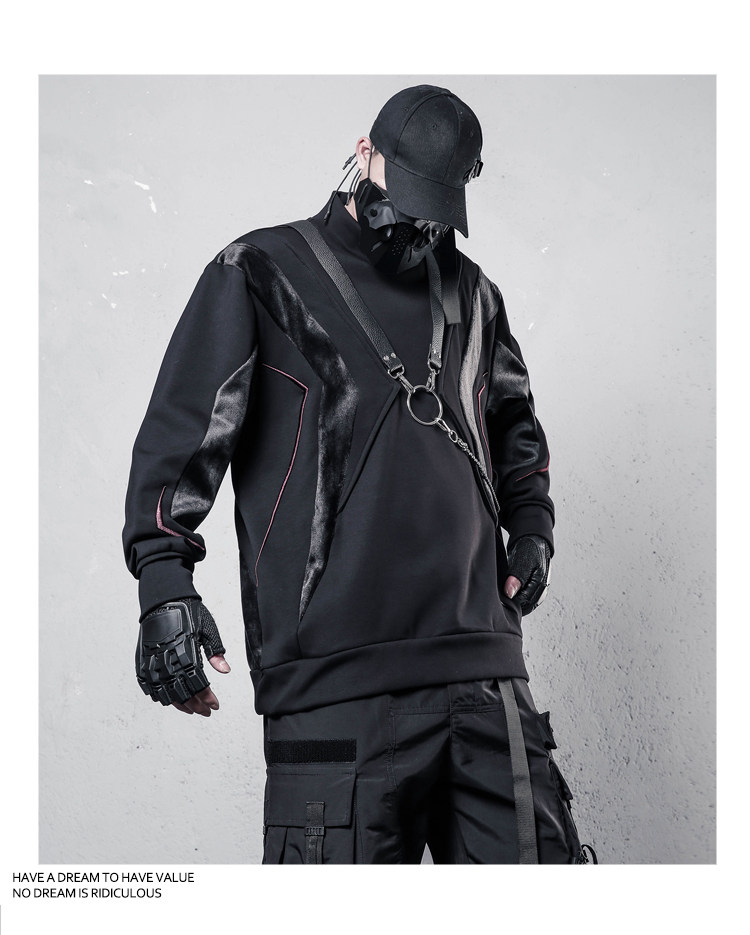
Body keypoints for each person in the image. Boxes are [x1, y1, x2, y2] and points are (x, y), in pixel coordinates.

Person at [123, 84, 597, 865]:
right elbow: (182, 436)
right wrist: (163, 585)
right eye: (405, 191)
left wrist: (533, 529)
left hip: (486, 679)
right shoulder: (259, 272)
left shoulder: (474, 295)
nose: (417, 220)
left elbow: (515, 425)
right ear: (363, 153)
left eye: (436, 206)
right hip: (335, 693)